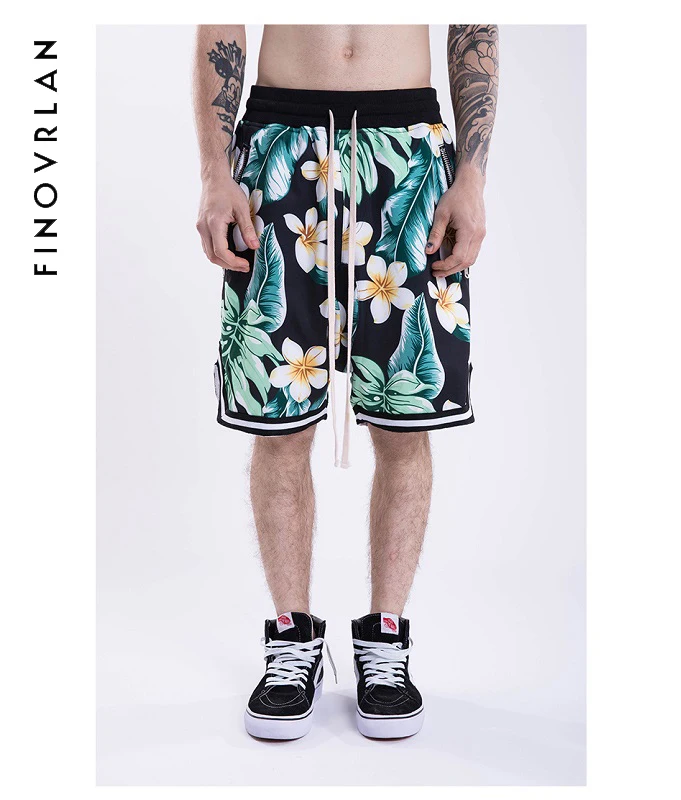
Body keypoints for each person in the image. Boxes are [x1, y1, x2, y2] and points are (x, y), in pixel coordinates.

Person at [193, 24, 498, 740]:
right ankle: (290, 640)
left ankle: (385, 641)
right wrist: (213, 171)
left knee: (405, 421)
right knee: (277, 422)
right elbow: (218, 19)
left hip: (407, 150)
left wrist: (472, 177)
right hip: (279, 144)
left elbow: (474, 24)